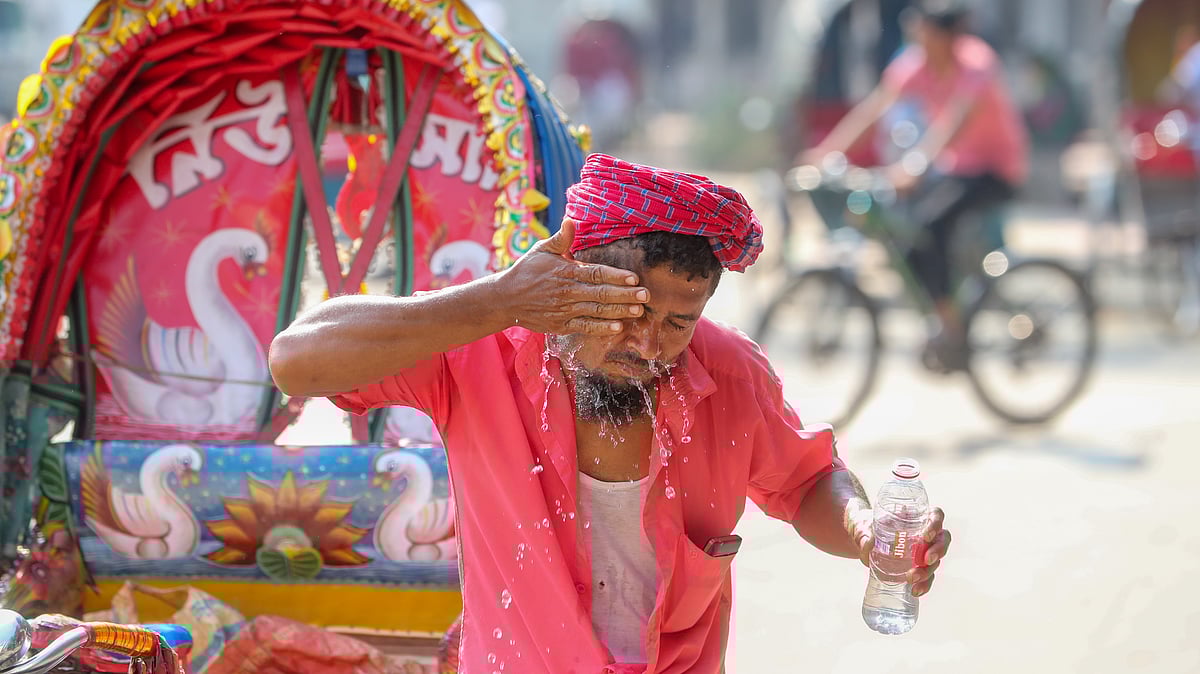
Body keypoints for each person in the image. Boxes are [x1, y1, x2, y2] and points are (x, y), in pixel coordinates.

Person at [269, 154, 952, 672]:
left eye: (678, 323)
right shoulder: (482, 350)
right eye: (627, 311)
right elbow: (295, 359)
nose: (648, 345)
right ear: (573, 281)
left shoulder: (729, 371)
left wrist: (866, 531)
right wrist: (498, 300)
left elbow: (806, 482)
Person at [805, 0, 1029, 370]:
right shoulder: (915, 63)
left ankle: (950, 327)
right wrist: (828, 151)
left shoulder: (976, 62)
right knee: (908, 232)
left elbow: (957, 119)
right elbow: (875, 108)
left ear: (945, 35)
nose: (917, 38)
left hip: (995, 169)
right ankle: (943, 307)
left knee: (932, 227)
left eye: (924, 32)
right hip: (953, 169)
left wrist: (917, 166)